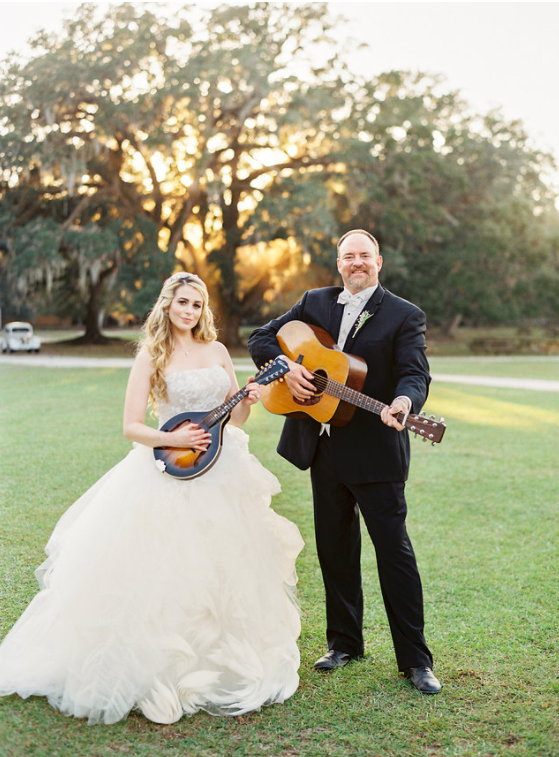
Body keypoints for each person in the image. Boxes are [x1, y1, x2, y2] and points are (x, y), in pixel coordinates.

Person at [0, 272, 304, 724]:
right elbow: (131, 426)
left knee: (221, 566)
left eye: (197, 305)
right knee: (162, 566)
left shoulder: (218, 351)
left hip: (221, 469)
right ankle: (156, 665)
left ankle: (214, 664)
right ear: (167, 305)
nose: (189, 311)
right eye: (182, 303)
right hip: (165, 468)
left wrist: (251, 399)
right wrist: (174, 434)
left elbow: (233, 419)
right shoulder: (151, 354)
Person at [247, 229, 441, 694]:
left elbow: (415, 373)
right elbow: (261, 337)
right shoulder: (314, 301)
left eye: (365, 256)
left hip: (376, 450)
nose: (357, 263)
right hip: (322, 448)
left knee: (394, 553)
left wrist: (404, 401)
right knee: (335, 549)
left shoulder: (404, 315)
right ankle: (344, 643)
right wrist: (288, 368)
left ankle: (415, 661)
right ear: (339, 263)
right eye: (348, 256)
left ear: (379, 261)